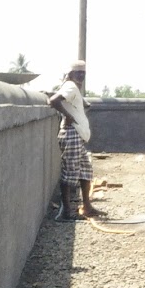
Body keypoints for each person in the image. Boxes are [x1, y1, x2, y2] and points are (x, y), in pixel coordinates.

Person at [47, 61, 101, 220]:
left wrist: (80, 107)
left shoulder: (71, 87)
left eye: (83, 73)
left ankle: (87, 206)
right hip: (72, 134)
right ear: (70, 74)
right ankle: (65, 212)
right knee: (70, 173)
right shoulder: (70, 86)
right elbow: (53, 101)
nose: (81, 76)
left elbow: (74, 102)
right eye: (78, 73)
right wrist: (68, 116)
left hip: (77, 135)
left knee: (85, 170)